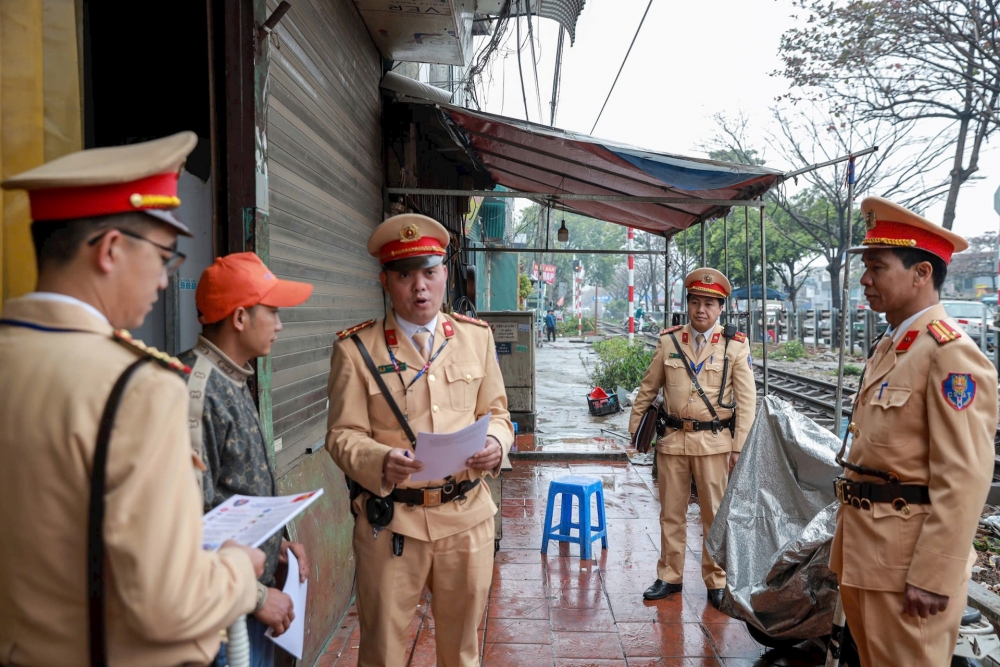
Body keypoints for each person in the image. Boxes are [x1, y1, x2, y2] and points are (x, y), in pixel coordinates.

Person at [0, 132, 264, 666]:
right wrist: (240, 569)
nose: (165, 282)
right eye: (165, 257)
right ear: (112, 250)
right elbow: (169, 603)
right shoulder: (139, 389)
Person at [326, 213, 514, 667]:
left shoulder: (476, 339)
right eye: (405, 276)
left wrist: (496, 443)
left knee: (462, 653)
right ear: (385, 281)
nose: (420, 288)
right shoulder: (356, 350)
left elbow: (498, 414)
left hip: (466, 519)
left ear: (445, 273)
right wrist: (379, 459)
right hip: (393, 524)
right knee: (383, 653)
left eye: (429, 273)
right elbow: (341, 435)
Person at [830, 197, 998, 666]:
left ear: (921, 273)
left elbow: (964, 476)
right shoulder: (894, 344)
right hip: (870, 556)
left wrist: (933, 574)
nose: (865, 280)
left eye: (877, 267)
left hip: (909, 570)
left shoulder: (949, 354)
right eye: (866, 267)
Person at [180, 252, 315, 667]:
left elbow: (230, 493)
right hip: (222, 614)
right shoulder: (197, 390)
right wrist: (256, 597)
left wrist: (275, 545)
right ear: (240, 318)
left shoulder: (231, 376)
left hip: (245, 596)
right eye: (272, 312)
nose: (279, 324)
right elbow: (187, 524)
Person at [629, 267, 756, 609]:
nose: (701, 310)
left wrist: (739, 448)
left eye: (709, 304)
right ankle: (670, 576)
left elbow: (747, 403)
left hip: (714, 444)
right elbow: (648, 388)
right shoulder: (669, 342)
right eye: (696, 302)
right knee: (671, 513)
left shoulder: (734, 346)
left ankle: (717, 580)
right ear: (687, 304)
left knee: (714, 516)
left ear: (720, 309)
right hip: (672, 440)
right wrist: (635, 431)